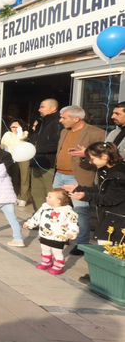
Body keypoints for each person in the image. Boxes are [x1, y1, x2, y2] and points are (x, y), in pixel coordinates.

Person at [52, 105, 105, 256]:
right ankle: (60, 236)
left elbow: (103, 155)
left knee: (80, 211)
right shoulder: (64, 131)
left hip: (79, 176)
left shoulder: (97, 133)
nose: (60, 120)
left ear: (76, 118)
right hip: (59, 174)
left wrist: (85, 154)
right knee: (58, 209)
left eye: (64, 118)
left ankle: (81, 243)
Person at [65, 141, 125, 245]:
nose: (90, 162)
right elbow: (101, 189)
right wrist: (80, 189)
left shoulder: (118, 175)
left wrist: (86, 196)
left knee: (107, 248)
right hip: (108, 216)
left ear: (105, 156)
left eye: (92, 159)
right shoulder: (105, 169)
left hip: (118, 218)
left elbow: (111, 198)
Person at [24, 189, 79, 275]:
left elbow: (72, 223)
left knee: (57, 251)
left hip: (58, 236)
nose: (47, 198)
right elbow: (37, 216)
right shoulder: (44, 207)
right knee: (45, 248)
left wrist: (71, 233)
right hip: (45, 235)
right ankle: (46, 262)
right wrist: (30, 223)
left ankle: (58, 266)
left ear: (58, 201)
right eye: (47, 196)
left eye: (49, 197)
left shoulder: (67, 212)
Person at [29, 99, 63, 210]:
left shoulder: (58, 122)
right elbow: (33, 139)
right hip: (36, 161)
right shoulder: (40, 122)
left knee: (50, 193)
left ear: (53, 108)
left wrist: (36, 149)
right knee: (36, 192)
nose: (39, 109)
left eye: (42, 107)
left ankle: (51, 216)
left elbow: (56, 144)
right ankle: (39, 215)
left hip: (49, 163)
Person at [1, 119, 31, 207]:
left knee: (24, 178)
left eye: (16, 127)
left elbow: (21, 138)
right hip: (12, 158)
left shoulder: (24, 133)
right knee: (13, 178)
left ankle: (23, 198)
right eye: (12, 127)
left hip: (24, 157)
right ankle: (15, 196)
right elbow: (3, 145)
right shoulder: (7, 134)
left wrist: (19, 130)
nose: (14, 128)